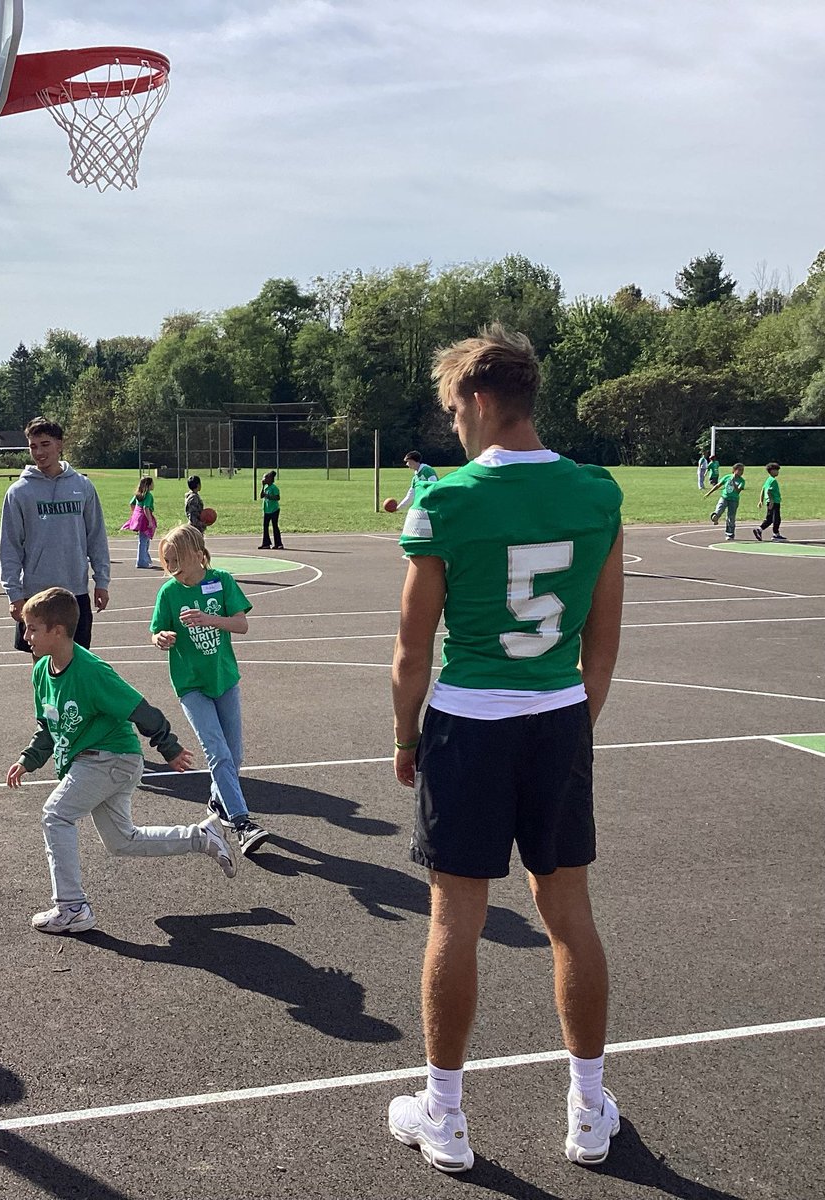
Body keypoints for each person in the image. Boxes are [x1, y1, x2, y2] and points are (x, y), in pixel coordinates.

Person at [387, 326, 625, 1173]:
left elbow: (413, 653)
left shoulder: (446, 500)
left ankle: (446, 1116)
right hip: (557, 717)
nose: (454, 426)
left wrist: (406, 737)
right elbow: (603, 641)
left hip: (469, 725)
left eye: (455, 409)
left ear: (482, 401)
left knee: (456, 917)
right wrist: (571, 724)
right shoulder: (597, 492)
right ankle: (589, 1109)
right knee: (570, 918)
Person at [6, 587, 238, 935]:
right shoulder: (41, 672)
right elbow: (49, 725)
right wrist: (28, 759)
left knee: (56, 814)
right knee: (121, 840)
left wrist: (169, 747)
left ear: (57, 630)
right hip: (94, 762)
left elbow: (142, 710)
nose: (26, 637)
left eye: (33, 629)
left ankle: (72, 907)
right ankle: (202, 836)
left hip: (111, 759)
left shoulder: (92, 672)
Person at [150, 524, 269, 856]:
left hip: (224, 679)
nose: (172, 567)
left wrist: (208, 619)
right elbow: (156, 631)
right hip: (191, 685)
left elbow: (241, 624)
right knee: (217, 751)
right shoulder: (169, 593)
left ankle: (218, 801)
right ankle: (242, 822)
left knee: (235, 754)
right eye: (167, 561)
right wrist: (161, 639)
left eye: (176, 560)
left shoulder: (222, 581)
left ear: (194, 553)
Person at [0, 418, 110, 655]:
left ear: (60, 444)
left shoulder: (83, 486)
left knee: (78, 665)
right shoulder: (19, 492)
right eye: (33, 446)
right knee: (42, 668)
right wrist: (14, 594)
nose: (39, 452)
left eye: (45, 444)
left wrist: (102, 581)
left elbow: (96, 537)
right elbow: (9, 547)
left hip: (75, 593)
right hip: (36, 594)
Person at [706, 463, 745, 540]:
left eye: (742, 470)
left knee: (731, 517)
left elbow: (737, 491)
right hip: (724, 497)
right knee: (719, 508)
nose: (741, 472)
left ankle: (729, 534)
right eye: (739, 470)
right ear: (734, 470)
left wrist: (733, 482)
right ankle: (715, 516)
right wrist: (709, 493)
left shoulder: (742, 481)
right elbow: (718, 485)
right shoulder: (727, 477)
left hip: (734, 500)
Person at [126, 476, 157, 568]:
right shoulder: (148, 495)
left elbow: (131, 504)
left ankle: (146, 559)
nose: (153, 485)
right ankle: (141, 561)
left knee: (144, 540)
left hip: (139, 518)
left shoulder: (138, 494)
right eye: (152, 483)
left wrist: (135, 514)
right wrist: (150, 521)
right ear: (148, 485)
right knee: (144, 540)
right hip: (145, 519)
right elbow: (146, 508)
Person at [754, 462, 786, 542]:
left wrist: (761, 500)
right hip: (774, 502)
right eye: (776, 470)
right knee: (776, 519)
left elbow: (763, 489)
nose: (778, 472)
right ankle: (776, 534)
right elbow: (768, 491)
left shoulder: (768, 480)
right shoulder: (772, 481)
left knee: (770, 519)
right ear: (771, 471)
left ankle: (760, 529)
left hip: (771, 502)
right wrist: (771, 501)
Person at [258, 470, 284, 550]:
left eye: (265, 478)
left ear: (270, 479)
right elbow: (261, 496)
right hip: (267, 510)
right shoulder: (266, 487)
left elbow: (277, 497)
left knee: (275, 526)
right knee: (265, 526)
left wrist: (269, 496)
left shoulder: (274, 488)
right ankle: (266, 543)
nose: (264, 479)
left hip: (274, 510)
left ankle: (279, 544)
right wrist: (262, 486)